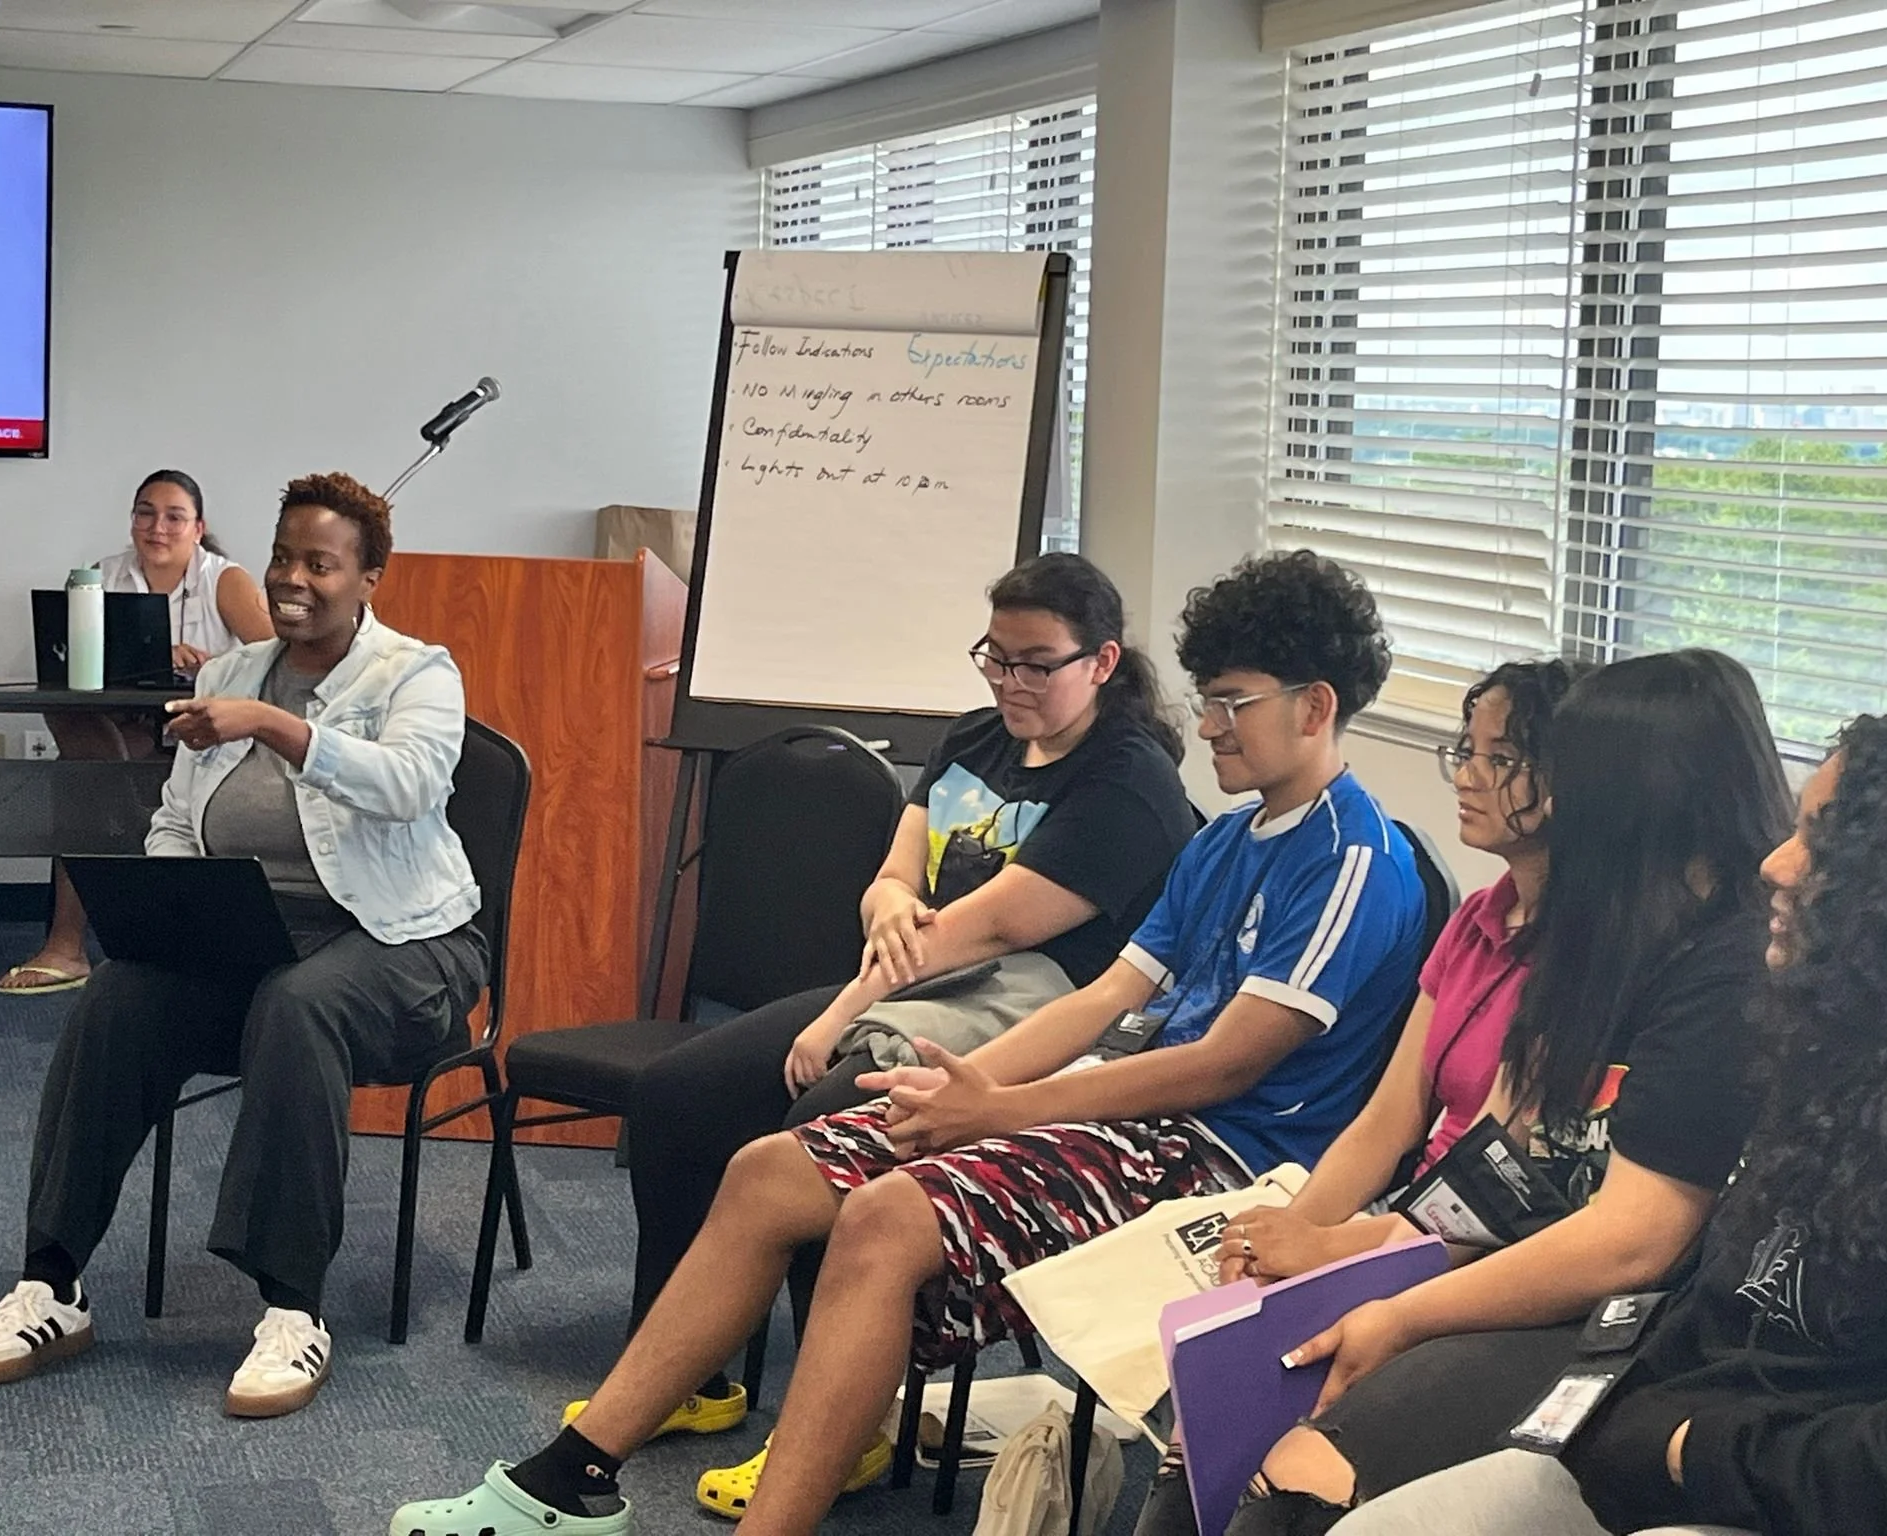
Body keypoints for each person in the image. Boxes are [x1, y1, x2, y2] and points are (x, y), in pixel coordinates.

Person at [390, 549, 1430, 1536]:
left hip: (1220, 1159)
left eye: (1230, 703)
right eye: (1204, 699)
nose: (1205, 725)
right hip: (1118, 1114)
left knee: (885, 1219)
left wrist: (1002, 1107)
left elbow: (1224, 1065)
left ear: (1315, 705)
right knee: (766, 1173)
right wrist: (971, 1083)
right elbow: (1110, 995)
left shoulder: (1350, 860)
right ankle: (569, 1481)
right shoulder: (1222, 842)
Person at [1175, 650, 1792, 1536]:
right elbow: (1491, 1177)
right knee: (1214, 1421)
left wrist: (1400, 1310)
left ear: (1634, 794)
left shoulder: (1728, 973)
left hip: (1631, 1322)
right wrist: (1345, 1252)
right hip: (1510, 1267)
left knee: (1294, 1479)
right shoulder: (1591, 932)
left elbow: (1631, 1247)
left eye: (1555, 772)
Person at [1325, 714, 1887, 1536]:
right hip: (1688, 1411)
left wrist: (1694, 1449)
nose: (1777, 863)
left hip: (1788, 1480)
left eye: (1819, 840)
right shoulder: (1829, 1045)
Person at [619, 551, 1199, 1441]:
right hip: (911, 981)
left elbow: (993, 930)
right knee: (676, 1097)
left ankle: (835, 1432)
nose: (1011, 681)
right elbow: (893, 880)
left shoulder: (1128, 782)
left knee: (819, 1124)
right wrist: (888, 905)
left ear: (1103, 662)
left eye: (1037, 662)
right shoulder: (973, 737)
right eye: (996, 656)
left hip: (1031, 1008)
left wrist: (837, 1014)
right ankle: (687, 1380)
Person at [0, 472, 485, 1420]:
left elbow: (407, 785)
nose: (293, 578)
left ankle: (291, 1308)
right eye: (284, 556)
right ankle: (52, 1284)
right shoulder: (230, 673)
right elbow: (176, 817)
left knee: (300, 1004)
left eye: (321, 563)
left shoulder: (416, 673)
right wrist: (173, 896)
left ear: (368, 579)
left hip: (404, 944)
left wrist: (280, 728)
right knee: (118, 996)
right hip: (254, 937)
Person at [1201, 658, 1587, 1285]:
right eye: (1467, 752)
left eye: (1501, 759)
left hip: (1474, 1245)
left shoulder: (1583, 954)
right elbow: (1390, 1119)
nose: (1467, 776)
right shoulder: (1475, 921)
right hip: (1414, 1214)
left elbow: (1494, 1179)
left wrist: (1322, 1251)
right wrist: (1296, 1232)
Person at [0, 469, 273, 996]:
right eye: (145, 512)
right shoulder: (101, 577)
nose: (158, 526)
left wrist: (210, 667)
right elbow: (70, 667)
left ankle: (66, 946)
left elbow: (274, 661)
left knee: (81, 782)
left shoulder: (224, 579)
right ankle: (120, 806)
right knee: (75, 732)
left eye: (174, 516)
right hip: (126, 729)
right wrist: (151, 657)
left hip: (203, 737)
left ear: (198, 527)